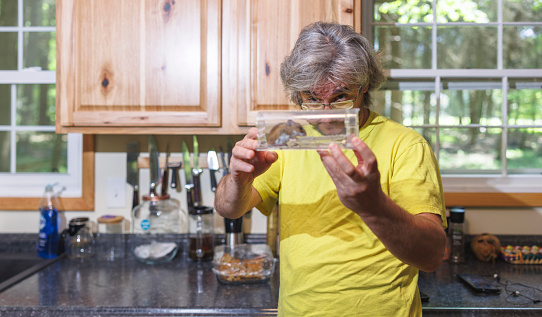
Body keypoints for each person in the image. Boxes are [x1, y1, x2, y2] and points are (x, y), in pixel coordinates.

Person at [214, 21, 447, 317]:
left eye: (340, 97)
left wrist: (373, 207)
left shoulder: (406, 145)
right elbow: (228, 208)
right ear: (297, 94)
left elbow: (432, 256)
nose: (327, 114)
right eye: (312, 98)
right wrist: (238, 179)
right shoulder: (287, 136)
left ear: (364, 87)